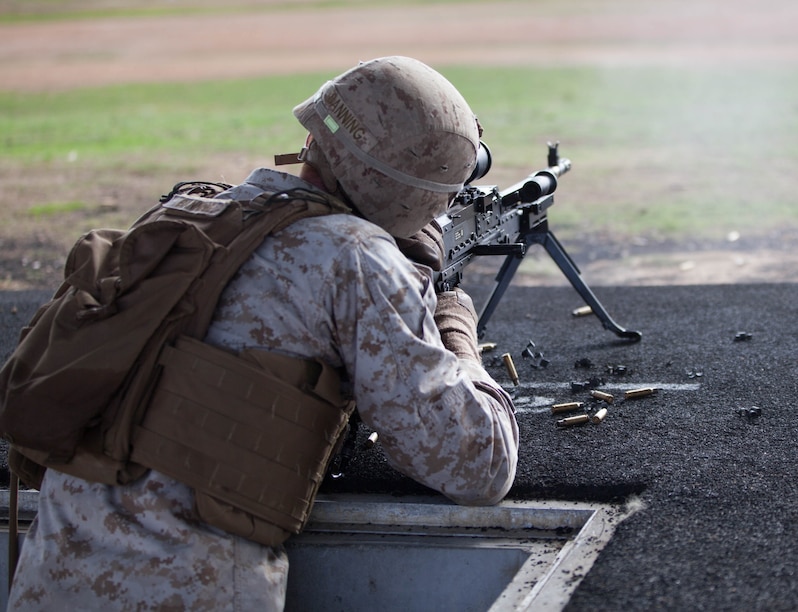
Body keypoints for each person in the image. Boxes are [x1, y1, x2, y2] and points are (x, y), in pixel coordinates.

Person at [7, 56, 519, 610]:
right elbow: (477, 465)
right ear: (419, 197)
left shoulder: (184, 214)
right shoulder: (357, 258)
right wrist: (452, 322)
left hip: (46, 578)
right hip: (190, 593)